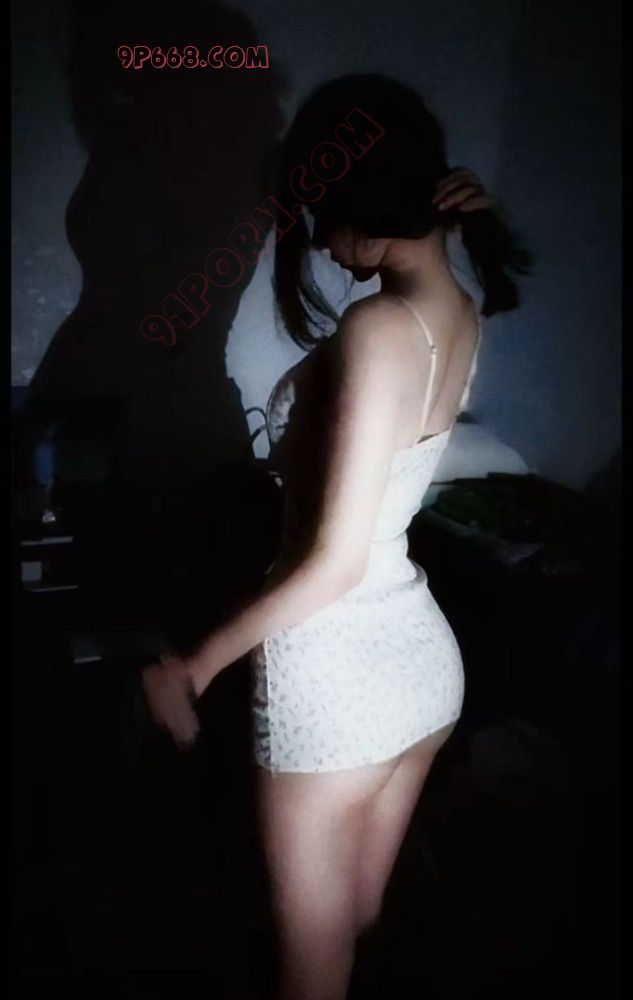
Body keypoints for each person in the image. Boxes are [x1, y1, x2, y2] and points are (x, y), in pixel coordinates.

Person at [142, 74, 532, 1000]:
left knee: (309, 966)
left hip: (336, 675)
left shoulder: (377, 326)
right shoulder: (456, 309)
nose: (317, 240)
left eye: (322, 212)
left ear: (366, 195)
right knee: (348, 923)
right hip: (420, 667)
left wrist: (193, 667)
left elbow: (332, 564)